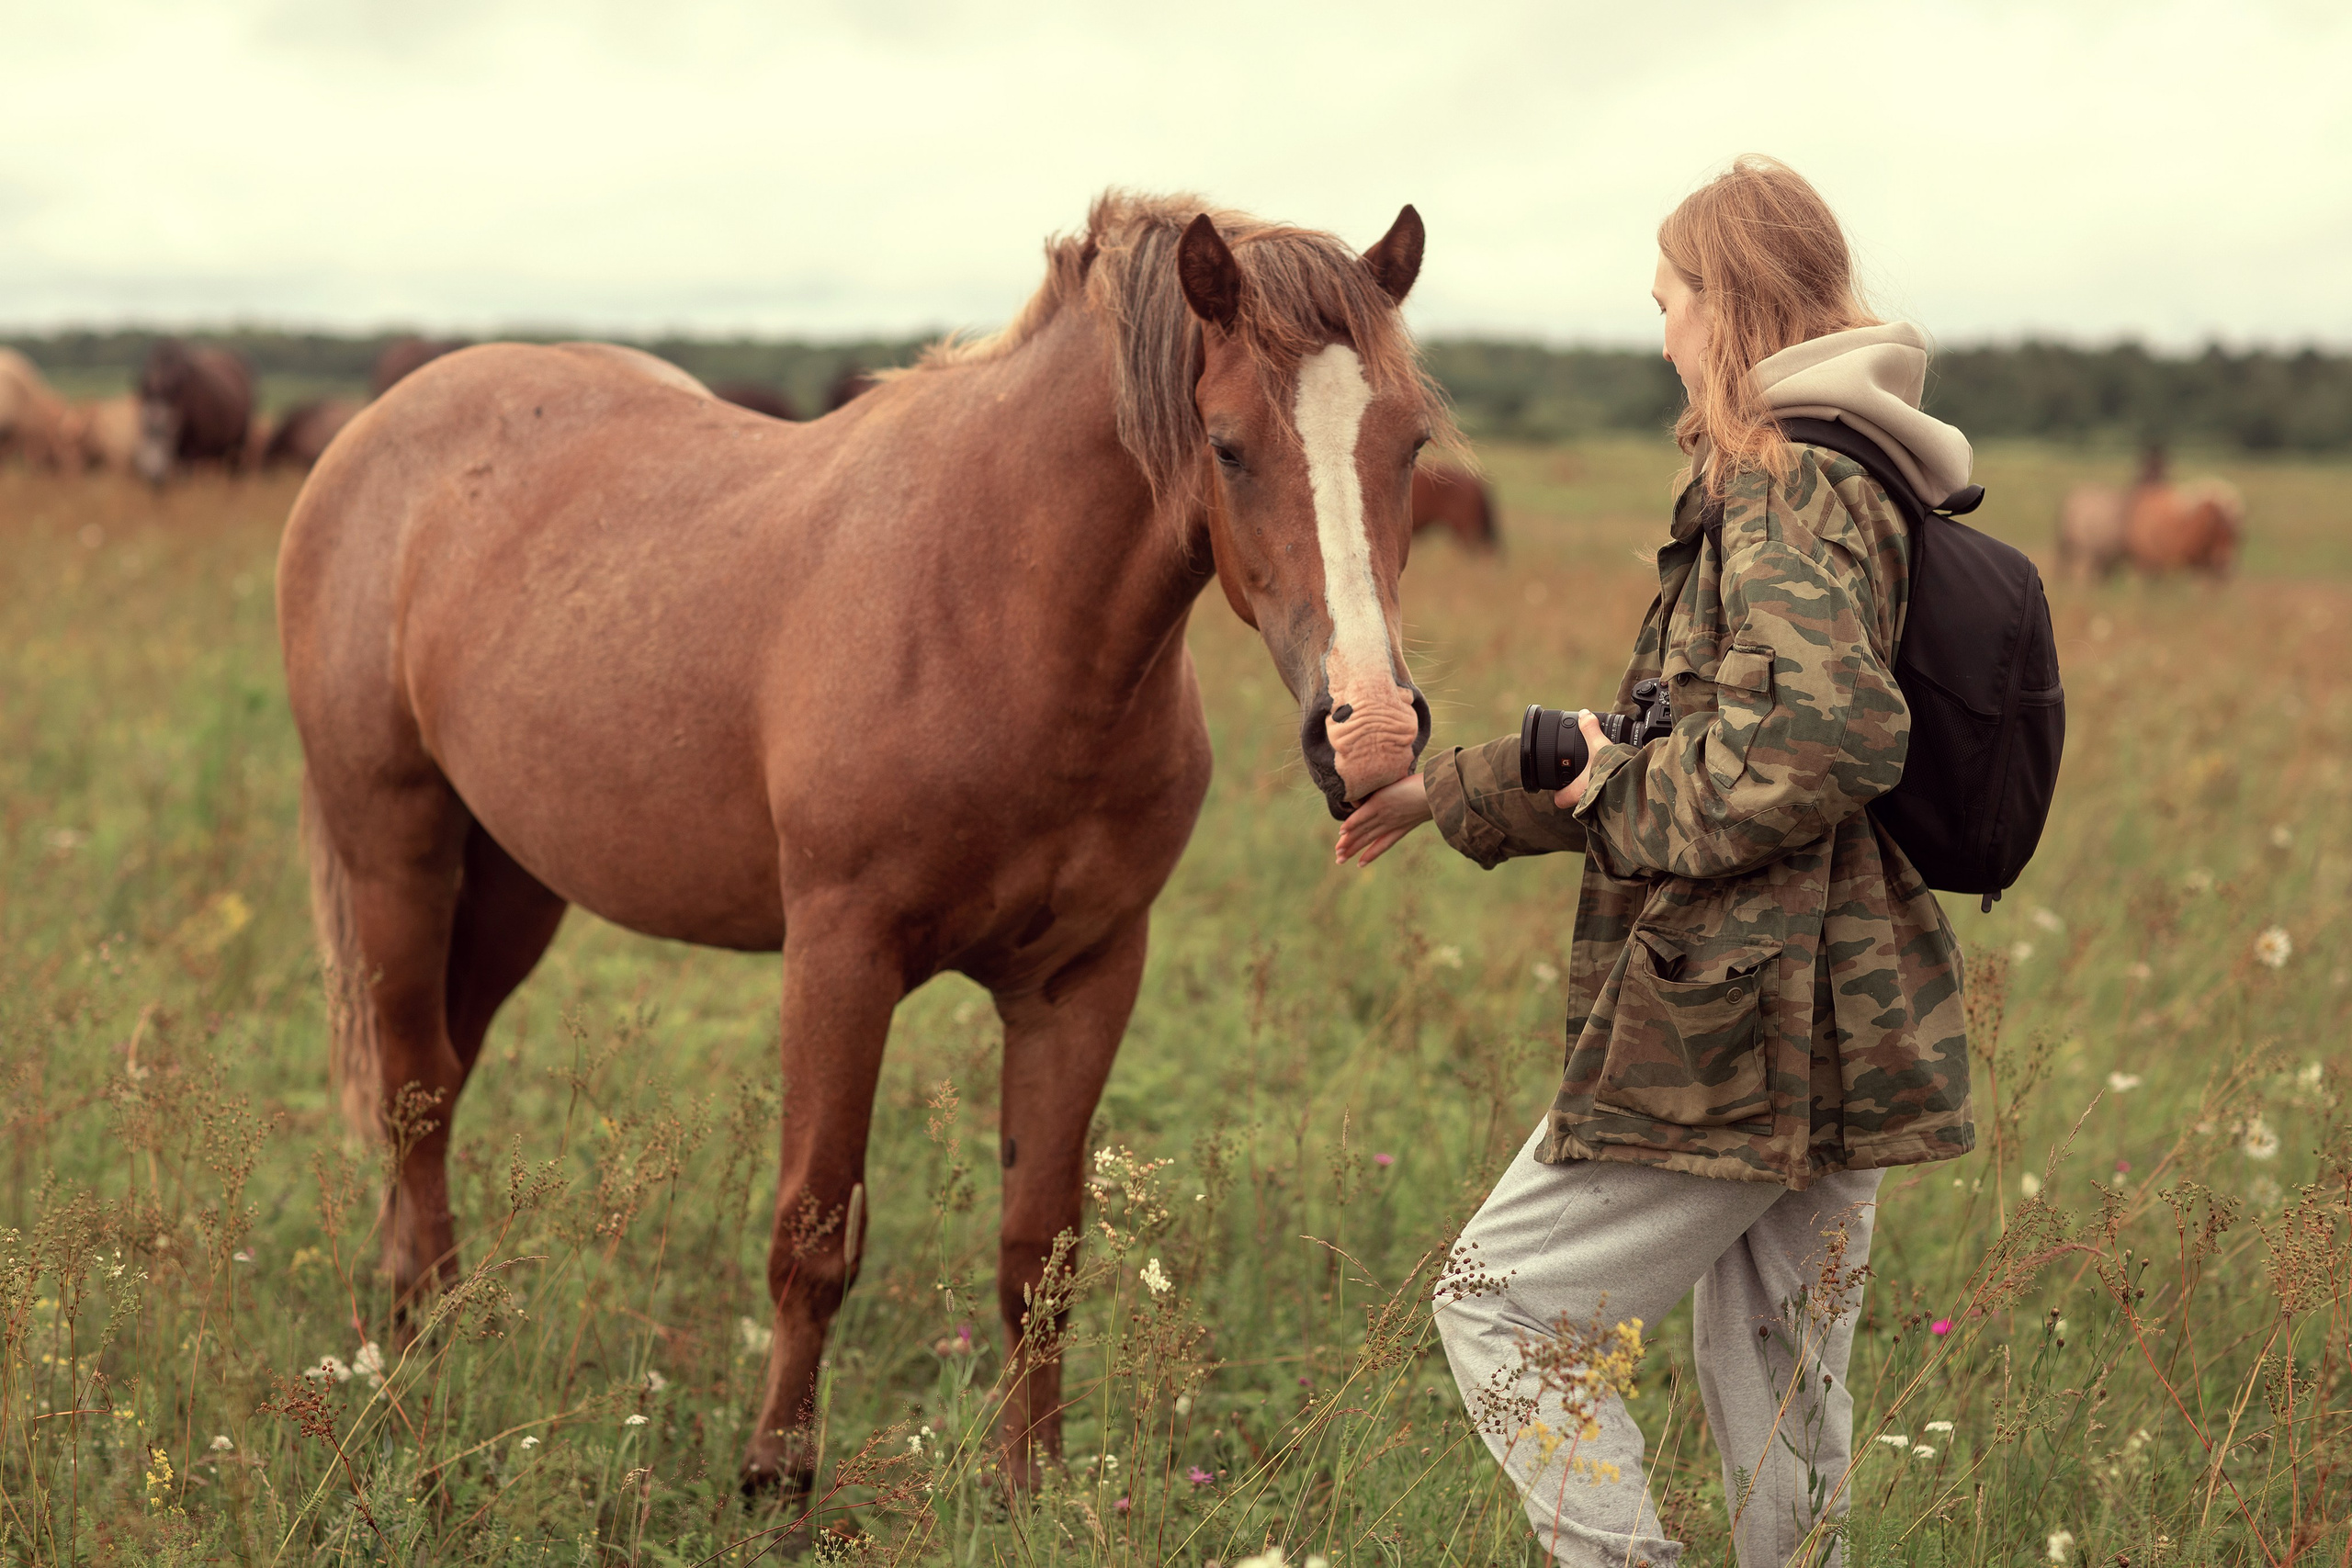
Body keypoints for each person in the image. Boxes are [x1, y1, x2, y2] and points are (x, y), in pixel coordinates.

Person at [1333, 155, 1975, 1566]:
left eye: (1673, 297)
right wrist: (1462, 790)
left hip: (1741, 1008)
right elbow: (1692, 727)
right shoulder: (1843, 468)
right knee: (1781, 1394)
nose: (1662, 327)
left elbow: (1824, 736)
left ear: (1730, 305)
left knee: (1498, 1298)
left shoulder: (1788, 479)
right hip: (1830, 1005)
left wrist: (1623, 810)